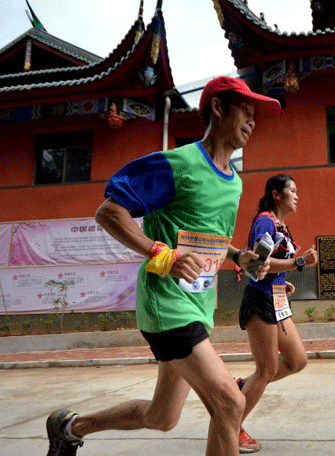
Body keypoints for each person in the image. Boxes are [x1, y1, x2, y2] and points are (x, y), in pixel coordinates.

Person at [45, 76, 281, 456]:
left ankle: (70, 428)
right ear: (218, 108)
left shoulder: (234, 183)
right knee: (230, 403)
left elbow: (207, 239)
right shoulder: (179, 164)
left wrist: (239, 257)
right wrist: (165, 257)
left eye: (255, 115)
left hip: (198, 306)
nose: (253, 121)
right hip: (166, 305)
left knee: (162, 416)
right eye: (245, 110)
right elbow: (109, 212)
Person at [235, 173, 318, 453]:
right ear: (276, 195)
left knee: (297, 360)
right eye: (291, 190)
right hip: (260, 300)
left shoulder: (281, 225)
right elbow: (258, 262)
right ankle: (231, 426)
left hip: (276, 298)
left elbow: (271, 268)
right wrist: (300, 262)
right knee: (268, 369)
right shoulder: (265, 221)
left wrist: (283, 281)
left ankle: (243, 385)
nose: (296, 196)